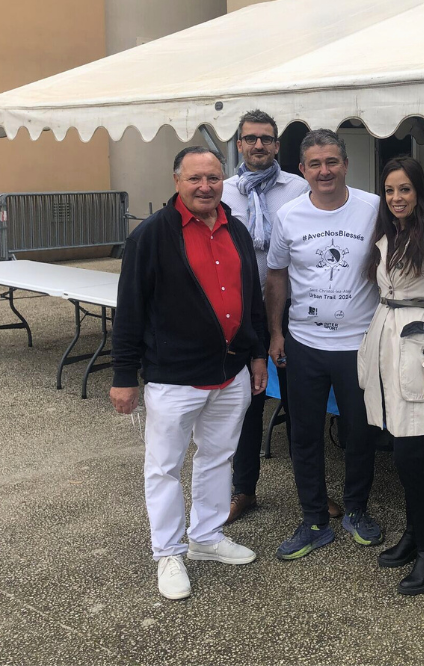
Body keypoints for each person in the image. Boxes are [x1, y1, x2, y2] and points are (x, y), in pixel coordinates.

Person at [110, 146, 268, 600]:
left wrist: (256, 353)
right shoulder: (151, 236)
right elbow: (131, 309)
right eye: (196, 178)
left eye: (214, 178)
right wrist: (124, 376)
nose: (205, 187)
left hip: (231, 371)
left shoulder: (235, 228)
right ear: (177, 180)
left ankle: (206, 538)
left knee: (217, 458)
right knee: (164, 467)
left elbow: (251, 297)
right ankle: (169, 552)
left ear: (224, 181)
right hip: (174, 377)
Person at [265, 129, 384, 560]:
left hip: (360, 344)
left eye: (332, 161)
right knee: (306, 435)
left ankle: (356, 510)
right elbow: (276, 275)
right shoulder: (289, 216)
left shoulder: (373, 207)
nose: (324, 171)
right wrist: (276, 332)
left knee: (360, 434)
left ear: (346, 165)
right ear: (302, 170)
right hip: (305, 344)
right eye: (314, 164)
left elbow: (417, 234)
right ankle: (314, 519)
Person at [358, 156, 424, 595]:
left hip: (418, 350)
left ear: (419, 190)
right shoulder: (389, 234)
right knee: (402, 453)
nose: (396, 198)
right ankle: (417, 534)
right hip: (387, 340)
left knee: (410, 457)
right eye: (390, 190)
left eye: (404, 189)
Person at [220, 109, 325, 524]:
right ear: (240, 144)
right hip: (242, 316)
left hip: (291, 313)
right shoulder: (223, 191)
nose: (259, 145)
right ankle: (243, 490)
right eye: (250, 139)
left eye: (266, 138)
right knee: (246, 405)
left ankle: (313, 497)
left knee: (302, 409)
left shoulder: (299, 188)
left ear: (278, 145)